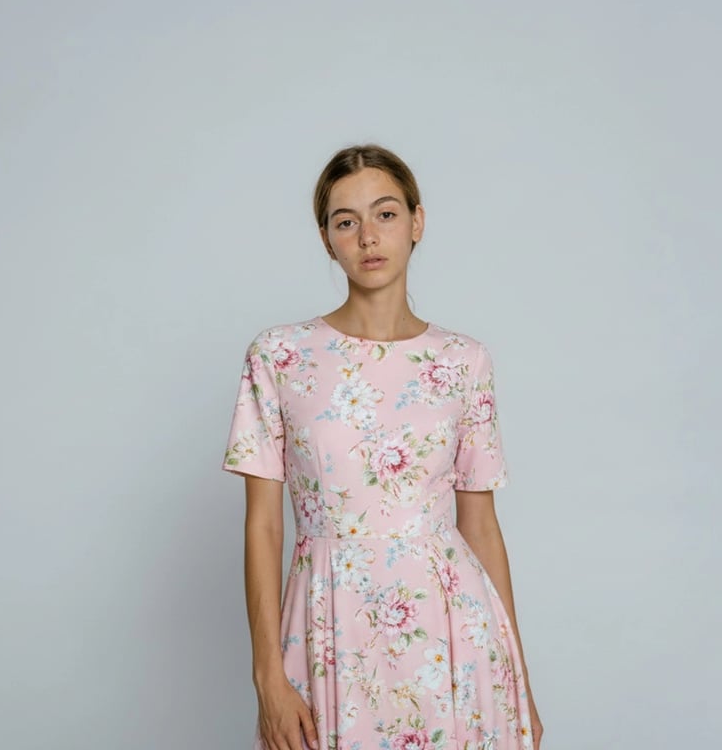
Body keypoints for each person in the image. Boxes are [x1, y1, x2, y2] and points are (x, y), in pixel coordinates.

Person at [222, 144, 543, 750]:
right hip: (328, 628)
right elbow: (262, 526)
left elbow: (480, 526)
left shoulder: (463, 361)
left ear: (417, 222)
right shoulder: (280, 356)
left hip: (454, 638)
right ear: (327, 240)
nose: (368, 236)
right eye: (346, 221)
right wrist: (267, 676)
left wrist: (519, 681)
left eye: (386, 214)